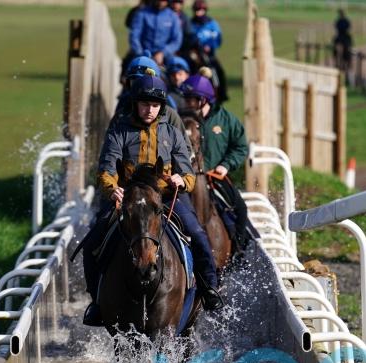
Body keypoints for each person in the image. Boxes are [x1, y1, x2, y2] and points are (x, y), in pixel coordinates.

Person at [81, 75, 224, 326]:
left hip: (166, 198)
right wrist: (112, 189)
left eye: (155, 105)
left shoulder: (173, 133)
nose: (150, 110)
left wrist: (182, 180)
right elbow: (106, 169)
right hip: (128, 199)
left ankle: (209, 289)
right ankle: (96, 303)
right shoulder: (119, 131)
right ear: (135, 104)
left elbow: (188, 172)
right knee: (92, 241)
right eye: (145, 104)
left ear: (162, 107)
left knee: (198, 235)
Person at [180, 74, 253, 252]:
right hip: (185, 178)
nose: (188, 103)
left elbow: (241, 147)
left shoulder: (226, 120)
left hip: (215, 177)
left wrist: (226, 165)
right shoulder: (180, 120)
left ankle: (238, 252)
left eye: (192, 99)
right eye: (186, 99)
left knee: (241, 209)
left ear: (204, 99)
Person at [114, 55, 192, 153]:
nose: (139, 88)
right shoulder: (122, 111)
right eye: (134, 82)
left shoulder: (170, 114)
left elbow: (185, 149)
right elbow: (111, 148)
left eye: (144, 82)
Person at [188, 0, 228, 103]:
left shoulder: (212, 24)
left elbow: (218, 39)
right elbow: (188, 38)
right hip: (194, 55)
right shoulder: (190, 24)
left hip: (209, 56)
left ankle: (221, 95)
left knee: (219, 72)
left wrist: (210, 46)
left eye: (201, 9)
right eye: (197, 9)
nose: (199, 12)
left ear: (205, 10)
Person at [129, 0, 182, 66]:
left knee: (179, 68)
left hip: (165, 57)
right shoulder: (142, 14)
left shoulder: (173, 16)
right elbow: (134, 36)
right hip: (143, 55)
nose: (161, 2)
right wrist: (141, 54)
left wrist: (163, 53)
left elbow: (176, 40)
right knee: (129, 66)